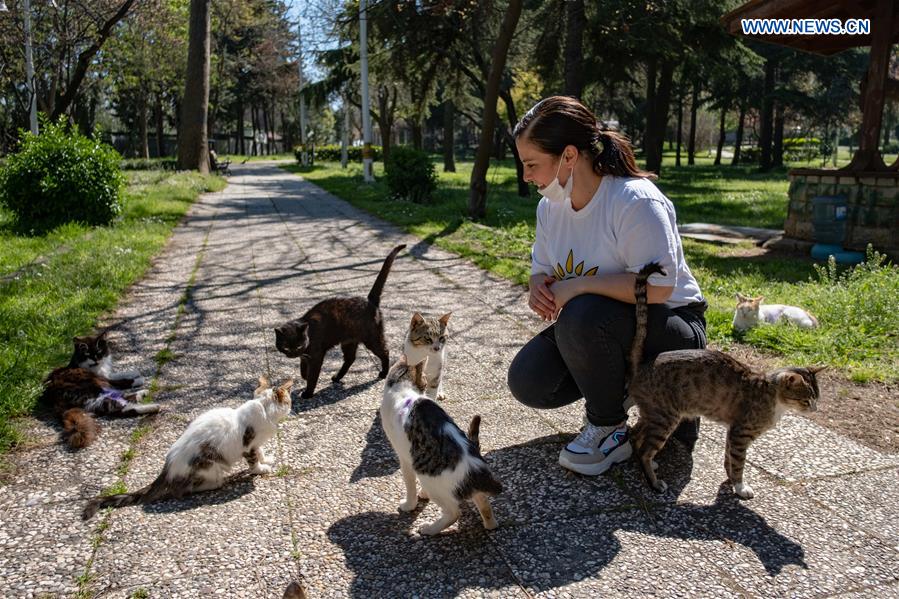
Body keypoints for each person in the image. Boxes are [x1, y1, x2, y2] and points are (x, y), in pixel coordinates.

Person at [507, 96, 707, 476]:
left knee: (583, 313)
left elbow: (661, 289)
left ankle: (609, 427)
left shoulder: (634, 200)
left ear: (568, 156)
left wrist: (577, 286)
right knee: (529, 381)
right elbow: (542, 269)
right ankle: (627, 388)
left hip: (674, 329)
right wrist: (539, 286)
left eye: (531, 164)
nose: (526, 176)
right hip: (607, 326)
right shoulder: (550, 208)